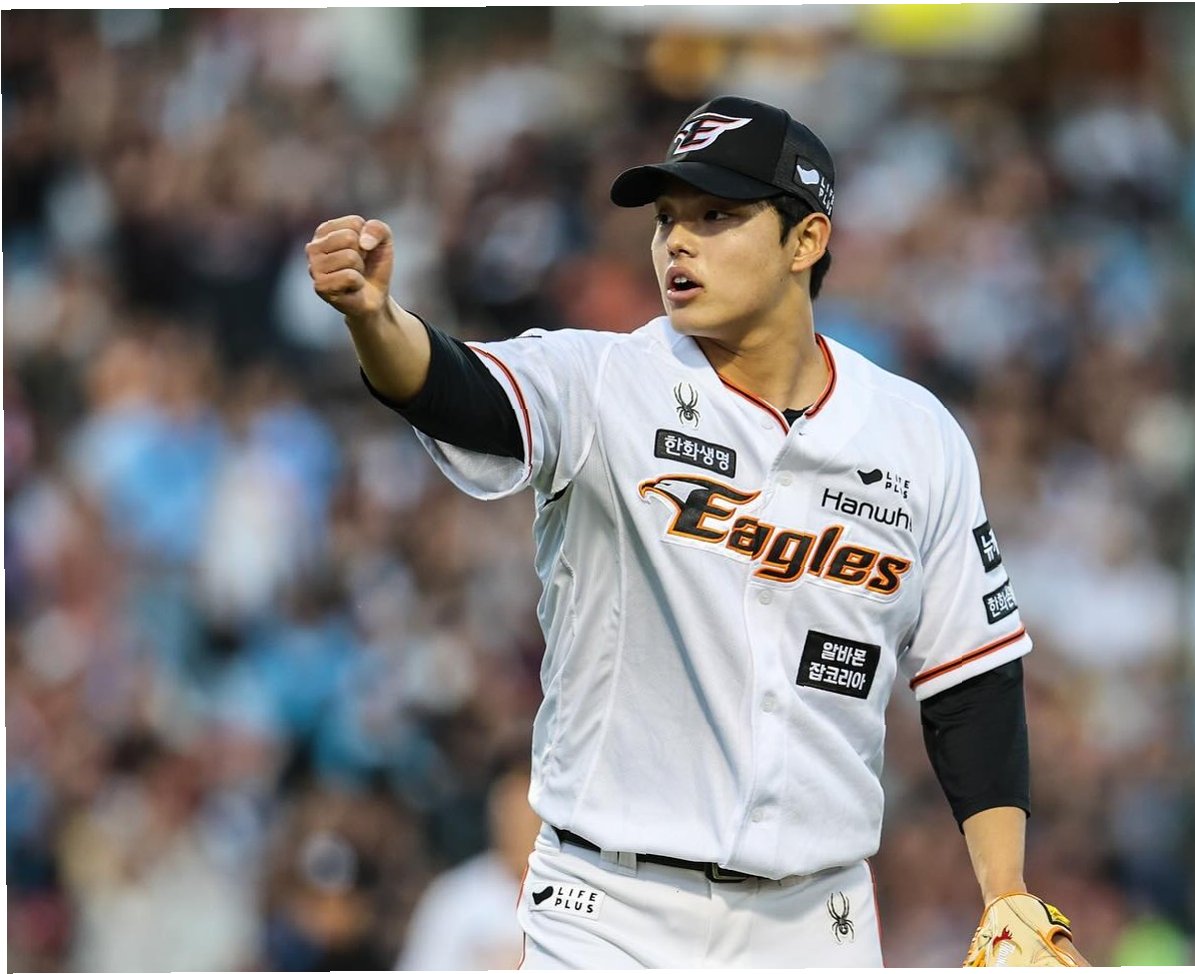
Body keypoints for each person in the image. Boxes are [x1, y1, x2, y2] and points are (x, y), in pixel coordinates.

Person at [308, 95, 1086, 968]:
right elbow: (456, 389)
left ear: (805, 240)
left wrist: (1005, 893)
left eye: (716, 216)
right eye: (667, 218)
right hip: (608, 911)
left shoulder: (915, 435)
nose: (678, 241)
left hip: (815, 921)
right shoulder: (604, 382)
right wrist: (374, 319)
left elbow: (970, 678)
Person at [396, 736, 539, 971]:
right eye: (506, 811)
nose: (515, 826)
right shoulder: (456, 896)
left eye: (525, 815)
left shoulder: (578, 893)